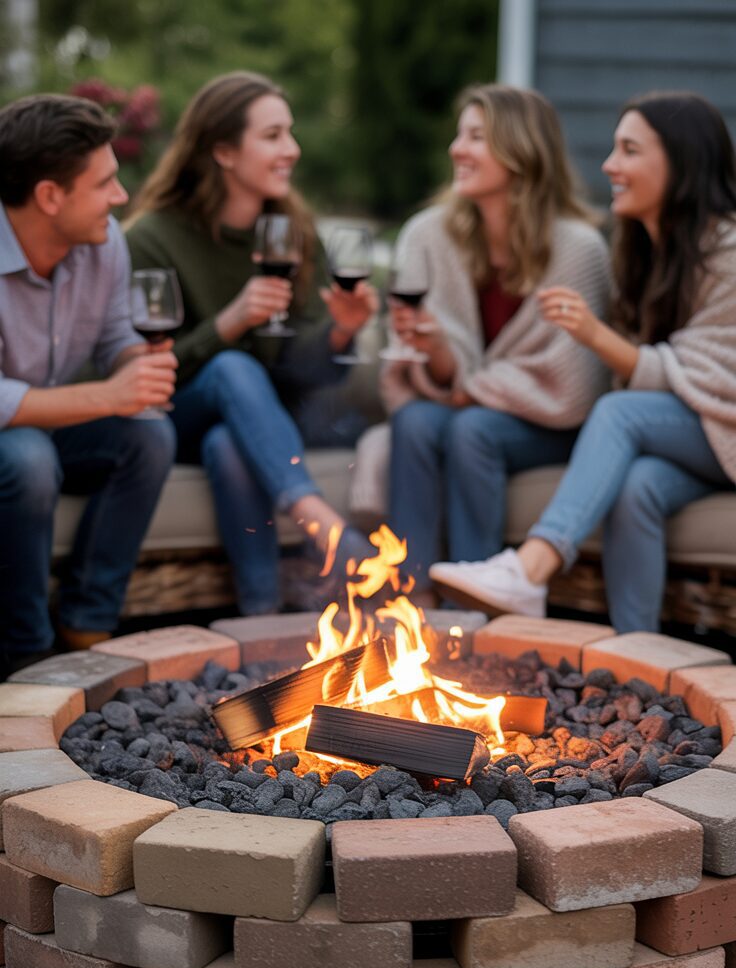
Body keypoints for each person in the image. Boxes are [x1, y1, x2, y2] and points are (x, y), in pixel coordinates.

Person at [430, 91, 736, 633]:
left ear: (681, 162)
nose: (609, 165)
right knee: (638, 485)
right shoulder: (643, 252)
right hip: (696, 439)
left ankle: (532, 567)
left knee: (621, 413)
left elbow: (709, 379)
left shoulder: (729, 254)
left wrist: (594, 335)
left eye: (629, 150)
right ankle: (635, 650)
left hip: (724, 428)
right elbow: (660, 373)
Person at [125, 71, 378, 616]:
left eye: (289, 133)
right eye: (273, 136)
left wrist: (340, 329)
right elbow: (138, 369)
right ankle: (316, 516)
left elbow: (300, 372)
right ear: (223, 150)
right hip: (172, 420)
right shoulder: (151, 238)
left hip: (249, 428)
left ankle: (259, 616)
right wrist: (230, 322)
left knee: (229, 444)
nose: (292, 149)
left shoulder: (292, 230)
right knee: (232, 369)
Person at [383, 83, 610, 602]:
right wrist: (437, 349)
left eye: (476, 137)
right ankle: (407, 602)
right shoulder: (427, 235)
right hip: (464, 408)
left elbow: (576, 386)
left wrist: (470, 390)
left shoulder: (580, 249)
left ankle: (478, 604)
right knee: (416, 421)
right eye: (459, 135)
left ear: (521, 151)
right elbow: (419, 377)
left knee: (473, 429)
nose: (456, 149)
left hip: (547, 423)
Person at [0, 94, 177, 683]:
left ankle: (87, 630)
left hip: (48, 425)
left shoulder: (104, 246)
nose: (121, 197)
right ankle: (26, 653)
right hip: (13, 439)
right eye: (105, 184)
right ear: (50, 196)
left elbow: (115, 339)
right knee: (28, 458)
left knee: (149, 435)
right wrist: (109, 394)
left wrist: (140, 363)